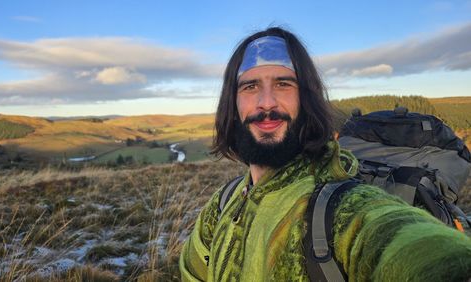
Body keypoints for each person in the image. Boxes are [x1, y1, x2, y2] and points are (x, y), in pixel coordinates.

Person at [179, 27, 471, 281]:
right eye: (250, 86)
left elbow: (393, 237)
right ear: (232, 103)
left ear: (306, 98)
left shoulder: (338, 206)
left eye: (283, 84)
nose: (266, 102)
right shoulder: (225, 201)